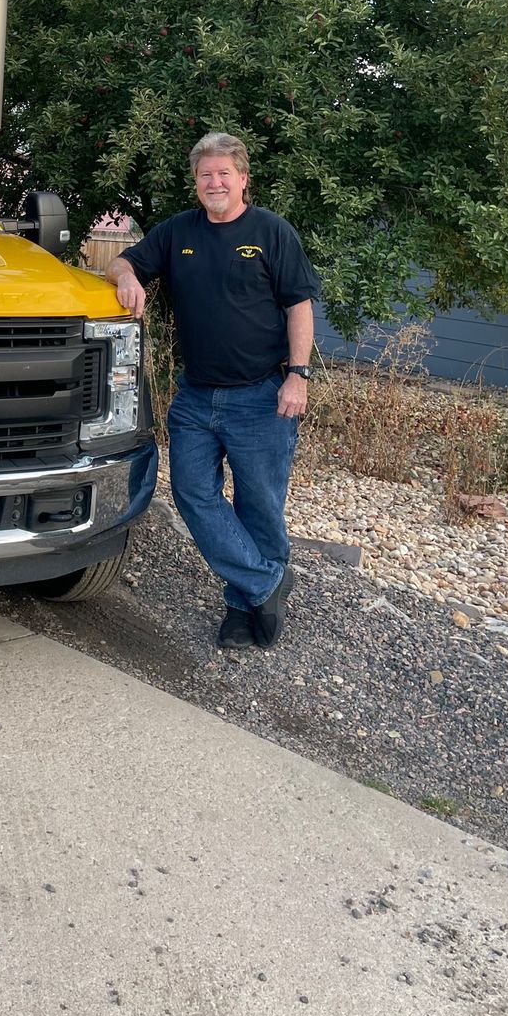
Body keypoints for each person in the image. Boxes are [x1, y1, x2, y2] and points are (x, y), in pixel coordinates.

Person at [105, 132, 320, 649]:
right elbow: (122, 261)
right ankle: (266, 582)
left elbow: (299, 306)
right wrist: (127, 277)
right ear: (196, 181)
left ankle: (243, 610)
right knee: (191, 492)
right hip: (196, 398)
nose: (215, 182)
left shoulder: (271, 232)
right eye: (206, 175)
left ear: (243, 178)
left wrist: (298, 374)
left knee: (259, 505)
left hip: (261, 396)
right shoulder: (178, 231)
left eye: (224, 173)